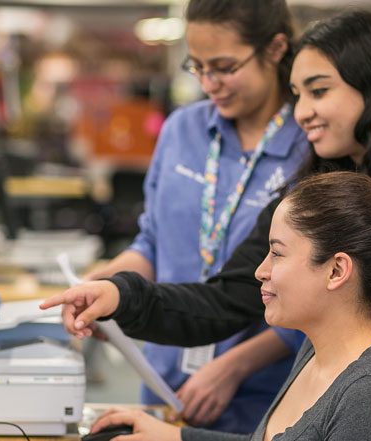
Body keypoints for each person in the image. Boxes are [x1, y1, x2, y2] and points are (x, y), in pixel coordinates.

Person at [42, 10, 371, 441]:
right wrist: (123, 295)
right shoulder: (321, 190)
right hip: (351, 419)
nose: (301, 112)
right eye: (297, 94)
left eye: (319, 91)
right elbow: (225, 298)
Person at [48, 172, 371, 440]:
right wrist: (176, 436)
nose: (260, 271)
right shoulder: (319, 351)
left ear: (337, 269)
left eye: (277, 254)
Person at [80, 0, 308, 433]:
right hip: (165, 375)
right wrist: (109, 286)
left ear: (276, 49)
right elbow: (152, 242)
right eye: (197, 66)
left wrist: (234, 367)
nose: (209, 83)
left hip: (264, 389)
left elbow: (323, 290)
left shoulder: (310, 144)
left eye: (224, 67)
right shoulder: (181, 130)